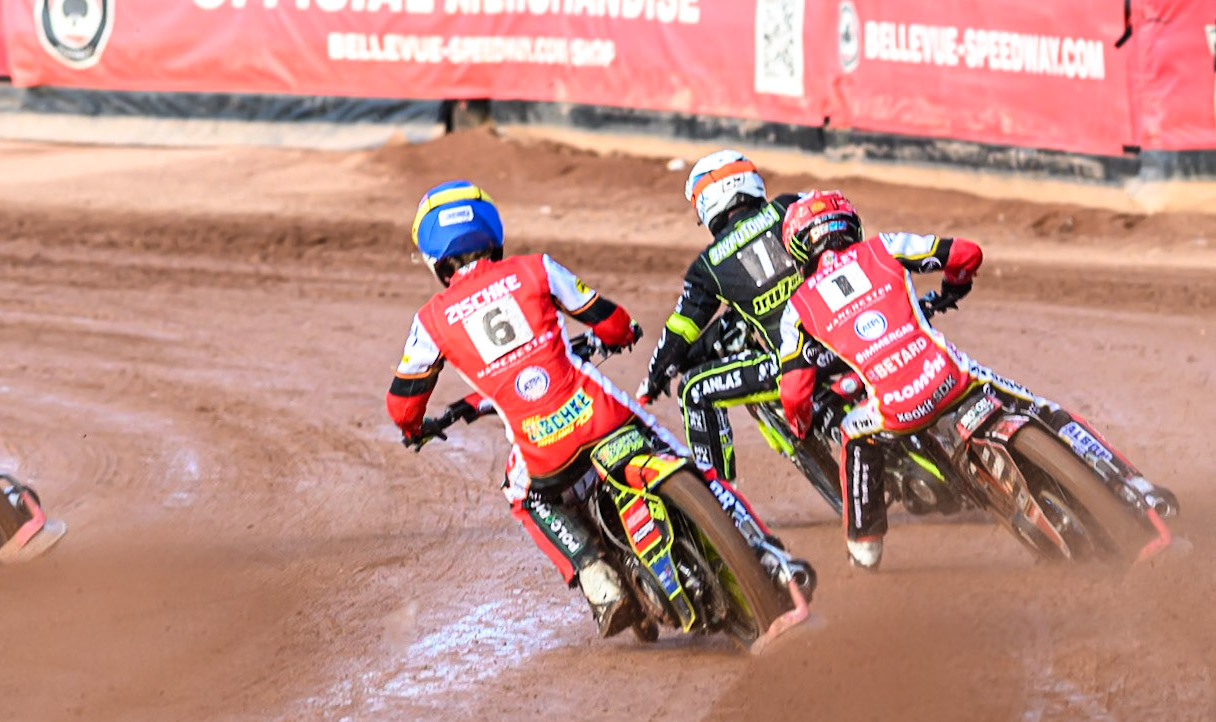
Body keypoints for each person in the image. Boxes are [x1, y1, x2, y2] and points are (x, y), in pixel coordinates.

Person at [386, 180, 807, 637]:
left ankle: (597, 578)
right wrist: (621, 334)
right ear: (492, 230)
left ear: (433, 255)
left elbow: (402, 406)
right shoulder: (536, 269)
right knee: (691, 464)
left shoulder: (429, 321)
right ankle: (770, 555)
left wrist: (415, 429)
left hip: (542, 451)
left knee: (522, 493)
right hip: (599, 413)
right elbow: (610, 319)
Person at [774, 190, 1177, 569]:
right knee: (1046, 410)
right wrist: (957, 284)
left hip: (892, 409)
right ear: (849, 223)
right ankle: (1137, 488)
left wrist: (801, 426)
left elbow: (794, 392)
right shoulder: (886, 246)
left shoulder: (797, 308)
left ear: (798, 247)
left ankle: (865, 546)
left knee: (853, 434)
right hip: (953, 378)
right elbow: (967, 253)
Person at [638, 150, 833, 481]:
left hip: (794, 360)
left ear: (710, 199)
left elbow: (681, 331)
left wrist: (655, 378)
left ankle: (721, 498)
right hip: (854, 331)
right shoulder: (789, 206)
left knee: (694, 391)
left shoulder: (709, 264)